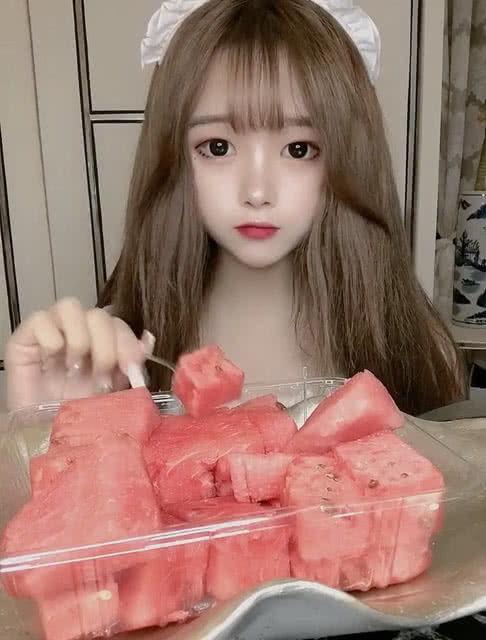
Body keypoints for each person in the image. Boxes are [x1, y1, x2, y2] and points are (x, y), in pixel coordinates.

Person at [5, 0, 466, 415]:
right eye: (218, 147)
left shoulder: (417, 352)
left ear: (350, 158)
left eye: (299, 149)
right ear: (172, 156)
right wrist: (41, 429)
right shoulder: (104, 359)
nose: (257, 191)